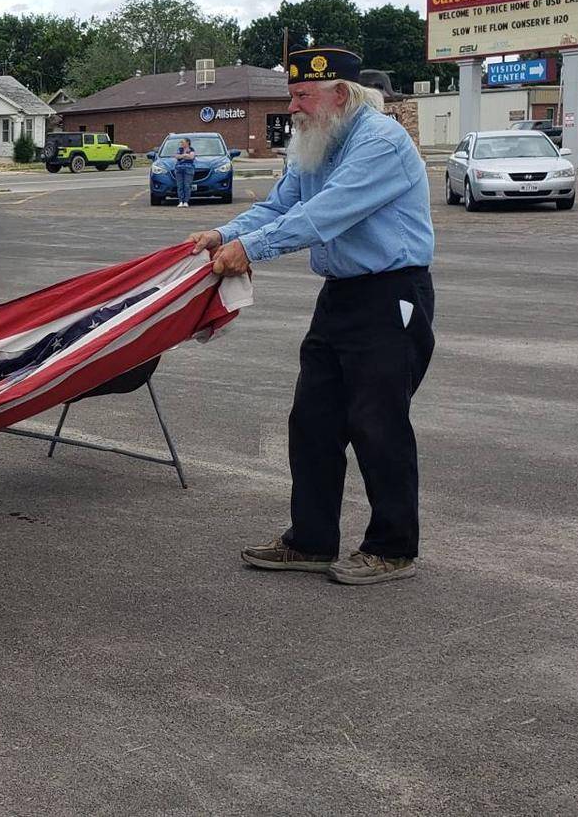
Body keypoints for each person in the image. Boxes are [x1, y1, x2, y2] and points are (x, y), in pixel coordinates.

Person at [184, 46, 435, 586]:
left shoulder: (381, 143)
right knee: (313, 422)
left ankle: (393, 547)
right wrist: (224, 235)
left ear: (340, 95)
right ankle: (312, 541)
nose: (293, 109)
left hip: (391, 295)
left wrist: (252, 251)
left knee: (378, 423)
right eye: (291, 97)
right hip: (341, 296)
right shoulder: (314, 143)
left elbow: (325, 213)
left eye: (302, 97)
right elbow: (279, 206)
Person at [173, 138, 197, 207]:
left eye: (183, 142)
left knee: (187, 185)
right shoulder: (179, 149)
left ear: (187, 142)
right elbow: (176, 156)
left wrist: (182, 156)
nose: (181, 143)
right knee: (180, 185)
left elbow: (191, 157)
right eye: (181, 142)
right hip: (179, 169)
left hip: (188, 169)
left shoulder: (191, 149)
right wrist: (185, 155)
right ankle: (180, 201)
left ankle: (186, 201)